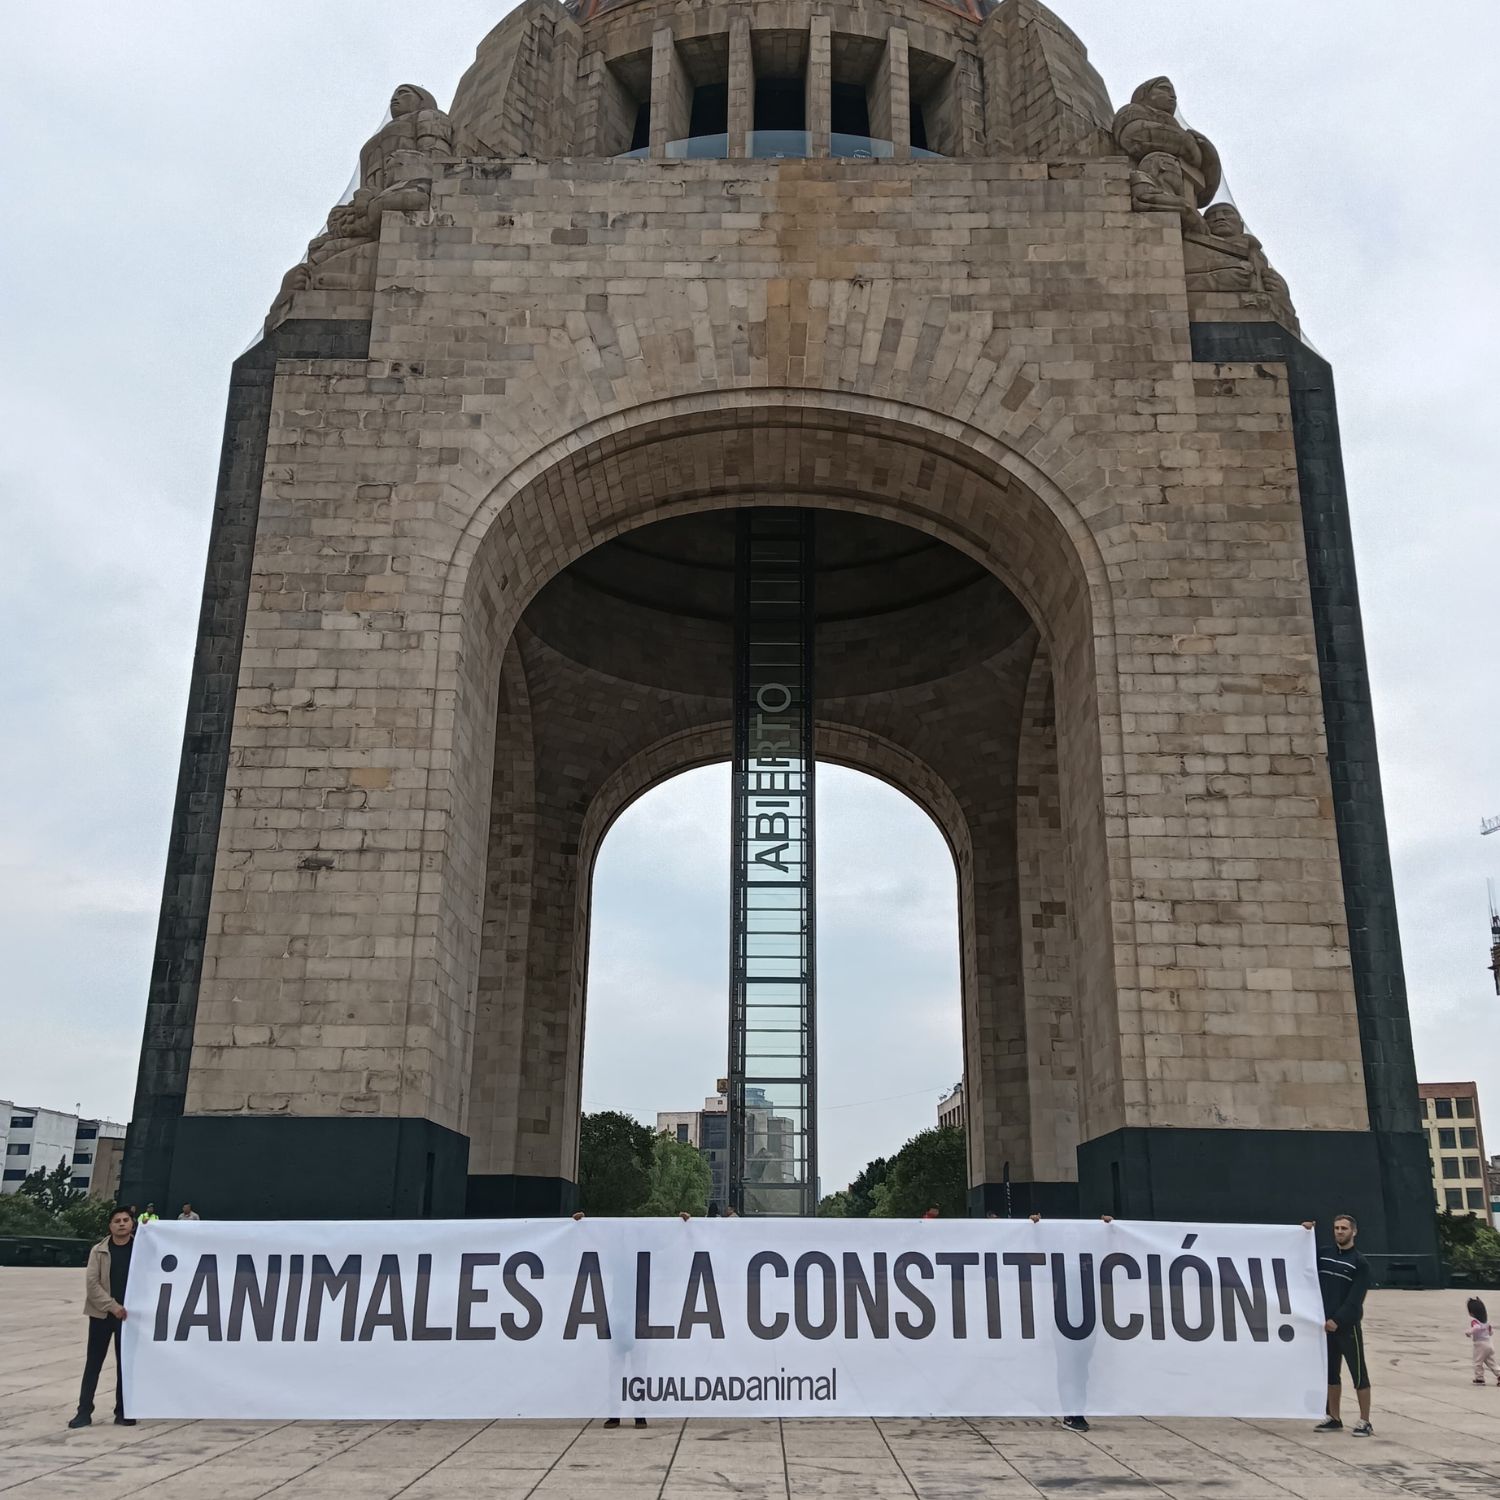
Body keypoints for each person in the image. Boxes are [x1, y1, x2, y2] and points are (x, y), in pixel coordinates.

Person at [573, 1209, 691, 1428]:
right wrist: (582, 1225)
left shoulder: (641, 1256)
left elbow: (668, 1246)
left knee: (637, 1369)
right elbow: (598, 1244)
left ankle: (637, 1413)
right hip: (622, 1317)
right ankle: (618, 1413)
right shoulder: (620, 1257)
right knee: (619, 1368)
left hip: (636, 1318)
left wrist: (682, 1227)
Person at [1025, 1212, 1113, 1433]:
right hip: (1064, 1321)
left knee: (1081, 1369)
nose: (1071, 1238)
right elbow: (1032, 1252)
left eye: (1075, 1235)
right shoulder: (1055, 1256)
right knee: (1068, 1367)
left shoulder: (1089, 1257)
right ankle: (1071, 1413)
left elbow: (1111, 1249)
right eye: (1067, 1234)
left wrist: (1108, 1228)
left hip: (1087, 1321)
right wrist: (1034, 1228)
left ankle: (1078, 1409)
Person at [1303, 1215, 1373, 1435]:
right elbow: (1301, 1260)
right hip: (1326, 1327)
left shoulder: (1359, 1262)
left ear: (1354, 1231)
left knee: (1358, 1373)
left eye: (1344, 1228)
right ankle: (1334, 1417)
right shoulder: (1324, 1255)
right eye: (1336, 1228)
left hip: (1347, 1327)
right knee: (1331, 1374)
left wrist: (1338, 1320)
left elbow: (1355, 1299)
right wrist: (1303, 1234)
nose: (1339, 1232)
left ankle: (1364, 1421)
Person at [68, 1207, 137, 1429]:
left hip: (129, 1316)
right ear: (110, 1226)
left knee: (125, 1365)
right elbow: (92, 1285)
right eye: (117, 1220)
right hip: (101, 1315)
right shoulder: (99, 1251)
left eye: (126, 1220)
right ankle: (84, 1411)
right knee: (93, 1364)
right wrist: (112, 1306)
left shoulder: (141, 1249)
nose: (122, 1224)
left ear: (132, 1224)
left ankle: (123, 1410)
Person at [1465, 1297, 1499, 1385]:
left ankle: (1479, 1378)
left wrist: (1469, 1332)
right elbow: (1491, 1332)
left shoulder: (1474, 1321)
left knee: (1478, 1361)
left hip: (1480, 1345)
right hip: (1489, 1344)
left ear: (1472, 1312)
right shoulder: (1486, 1322)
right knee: (1491, 1362)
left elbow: (1476, 1327)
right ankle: (1499, 1374)